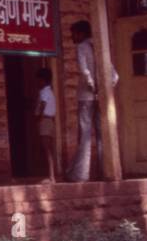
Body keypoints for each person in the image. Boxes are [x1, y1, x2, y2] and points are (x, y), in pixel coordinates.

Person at [66, 20, 118, 182]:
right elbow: (115, 76)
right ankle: (106, 171)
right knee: (102, 135)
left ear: (81, 33)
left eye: (74, 33)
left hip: (87, 96)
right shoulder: (99, 48)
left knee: (85, 135)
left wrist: (93, 86)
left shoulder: (81, 47)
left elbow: (84, 71)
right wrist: (105, 90)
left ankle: (81, 174)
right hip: (100, 97)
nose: (72, 37)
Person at [35, 67, 58, 182]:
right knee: (48, 149)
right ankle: (50, 175)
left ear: (44, 80)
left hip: (45, 120)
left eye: (39, 80)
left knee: (47, 149)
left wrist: (38, 118)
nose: (38, 82)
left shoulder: (44, 92)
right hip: (50, 121)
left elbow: (43, 105)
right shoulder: (50, 91)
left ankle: (51, 176)